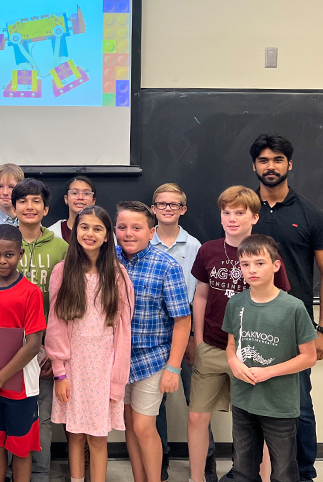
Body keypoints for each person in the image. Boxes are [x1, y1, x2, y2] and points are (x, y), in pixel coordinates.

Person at [187, 186, 291, 482]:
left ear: (254, 217)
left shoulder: (266, 252)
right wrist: (197, 340)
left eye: (240, 212)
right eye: (226, 212)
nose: (232, 218)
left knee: (254, 422)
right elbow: (201, 297)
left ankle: (259, 476)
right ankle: (197, 478)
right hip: (212, 347)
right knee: (197, 417)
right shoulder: (208, 250)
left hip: (253, 352)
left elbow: (278, 301)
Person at [249, 134, 323, 482]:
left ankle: (303, 474)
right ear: (254, 165)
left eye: (277, 159)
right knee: (250, 405)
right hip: (249, 325)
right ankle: (249, 472)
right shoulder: (243, 211)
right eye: (263, 160)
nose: (270, 166)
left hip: (296, 327)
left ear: (290, 164)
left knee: (298, 406)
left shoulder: (311, 215)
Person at [0, 178, 69, 482]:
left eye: (36, 201)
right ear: (13, 208)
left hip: (38, 348)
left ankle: (38, 476)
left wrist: (53, 352)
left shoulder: (60, 247)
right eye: (22, 201)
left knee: (35, 421)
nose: (29, 207)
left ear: (46, 207)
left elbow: (65, 304)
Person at [46, 206, 133, 482]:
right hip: (73, 368)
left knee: (98, 437)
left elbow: (123, 332)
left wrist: (117, 379)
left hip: (103, 369)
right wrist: (59, 372)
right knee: (75, 434)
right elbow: (56, 325)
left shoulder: (117, 275)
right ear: (75, 231)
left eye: (98, 228)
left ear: (108, 236)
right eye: (84, 227)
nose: (90, 233)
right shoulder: (63, 271)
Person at [223, 235, 318, 482]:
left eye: (259, 263)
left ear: (276, 265)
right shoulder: (236, 303)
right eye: (245, 264)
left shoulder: (293, 307)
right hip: (244, 400)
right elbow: (231, 346)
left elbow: (309, 357)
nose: (251, 270)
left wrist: (269, 371)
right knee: (243, 470)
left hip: (279, 405)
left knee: (284, 471)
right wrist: (233, 362)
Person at [113, 201, 191, 482]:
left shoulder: (166, 265)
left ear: (151, 231)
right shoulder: (110, 261)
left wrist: (173, 368)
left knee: (145, 426)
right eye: (122, 227)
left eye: (137, 227)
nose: (129, 233)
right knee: (130, 426)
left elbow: (183, 320)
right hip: (119, 360)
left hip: (153, 359)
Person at [0, 224, 46, 482]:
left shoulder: (31, 292)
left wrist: (1, 377)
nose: (2, 260)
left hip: (20, 386)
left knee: (20, 446)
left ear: (20, 254)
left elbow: (34, 344)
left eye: (9, 255)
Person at [149, 183, 204, 481]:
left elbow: (198, 296)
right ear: (153, 208)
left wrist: (195, 336)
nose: (167, 208)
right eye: (162, 204)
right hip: (154, 336)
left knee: (197, 402)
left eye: (174, 204)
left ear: (183, 209)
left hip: (187, 334)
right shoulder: (143, 242)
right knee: (154, 403)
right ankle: (161, 461)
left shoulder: (194, 246)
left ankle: (205, 463)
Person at [47, 176, 98, 243]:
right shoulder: (52, 234)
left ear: (93, 201)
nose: (80, 197)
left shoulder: (104, 232)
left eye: (86, 193)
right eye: (74, 193)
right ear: (66, 199)